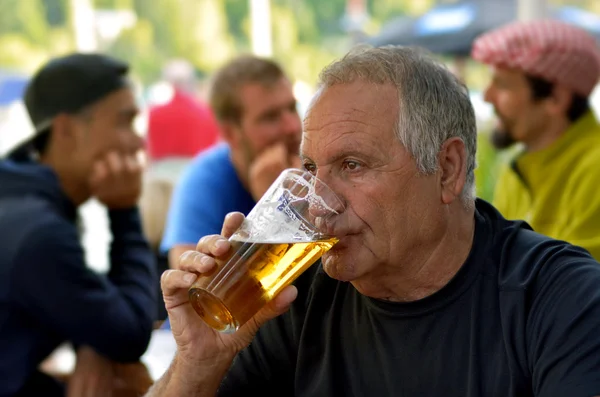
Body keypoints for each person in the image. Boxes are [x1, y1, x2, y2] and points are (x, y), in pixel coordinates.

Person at [147, 45, 600, 397]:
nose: (319, 205)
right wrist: (198, 362)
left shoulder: (563, 300)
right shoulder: (290, 297)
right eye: (309, 170)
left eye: (352, 165)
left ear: (446, 169)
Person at [0, 53, 157, 396]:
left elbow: (94, 310)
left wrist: (93, 339)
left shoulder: (19, 194)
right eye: (125, 122)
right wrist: (125, 210)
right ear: (66, 129)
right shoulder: (38, 232)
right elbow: (130, 336)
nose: (138, 142)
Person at [471, 20, 600, 260]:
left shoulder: (595, 169)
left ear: (556, 98)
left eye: (502, 84)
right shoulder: (518, 169)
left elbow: (578, 289)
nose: (487, 97)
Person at [160, 55, 302, 269]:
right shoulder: (204, 180)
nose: (292, 126)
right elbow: (188, 287)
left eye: (292, 108)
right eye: (270, 117)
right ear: (230, 133)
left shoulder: (319, 164)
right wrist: (274, 206)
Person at [145, 59, 220, 183]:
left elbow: (150, 153)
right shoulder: (206, 112)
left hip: (162, 180)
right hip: (197, 177)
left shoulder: (155, 113)